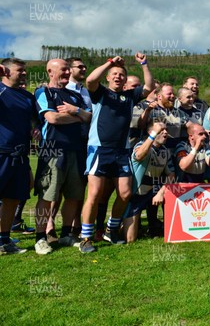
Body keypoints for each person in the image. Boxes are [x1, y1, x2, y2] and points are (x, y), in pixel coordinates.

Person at [79, 53, 153, 253]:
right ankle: (85, 238)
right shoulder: (100, 92)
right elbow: (90, 80)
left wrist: (144, 64)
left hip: (122, 151)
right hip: (99, 149)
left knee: (126, 193)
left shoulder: (129, 96)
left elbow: (148, 86)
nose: (118, 77)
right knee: (94, 193)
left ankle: (111, 229)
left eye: (122, 74)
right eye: (115, 74)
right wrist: (110, 62)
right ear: (109, 77)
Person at [33, 59, 92, 255]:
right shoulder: (44, 92)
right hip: (53, 149)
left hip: (76, 149)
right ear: (50, 71)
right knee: (48, 195)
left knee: (74, 195)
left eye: (69, 69)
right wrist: (78, 116)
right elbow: (53, 118)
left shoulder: (75, 95)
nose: (68, 72)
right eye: (63, 69)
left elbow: (89, 117)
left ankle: (66, 234)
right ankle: (40, 238)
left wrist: (78, 113)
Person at [0, 58, 39, 254]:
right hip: (1, 153)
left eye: (25, 70)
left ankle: (3, 241)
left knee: (12, 199)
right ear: (5, 72)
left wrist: (36, 129)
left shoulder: (27, 96)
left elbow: (35, 119)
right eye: (20, 70)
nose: (24, 73)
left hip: (21, 155)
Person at [123, 121, 175, 242]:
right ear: (151, 132)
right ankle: (119, 224)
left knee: (173, 193)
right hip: (137, 194)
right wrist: (152, 135)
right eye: (161, 130)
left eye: (166, 129)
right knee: (130, 239)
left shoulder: (165, 151)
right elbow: (139, 156)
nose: (166, 132)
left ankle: (161, 226)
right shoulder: (141, 145)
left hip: (153, 192)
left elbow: (171, 175)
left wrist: (161, 192)